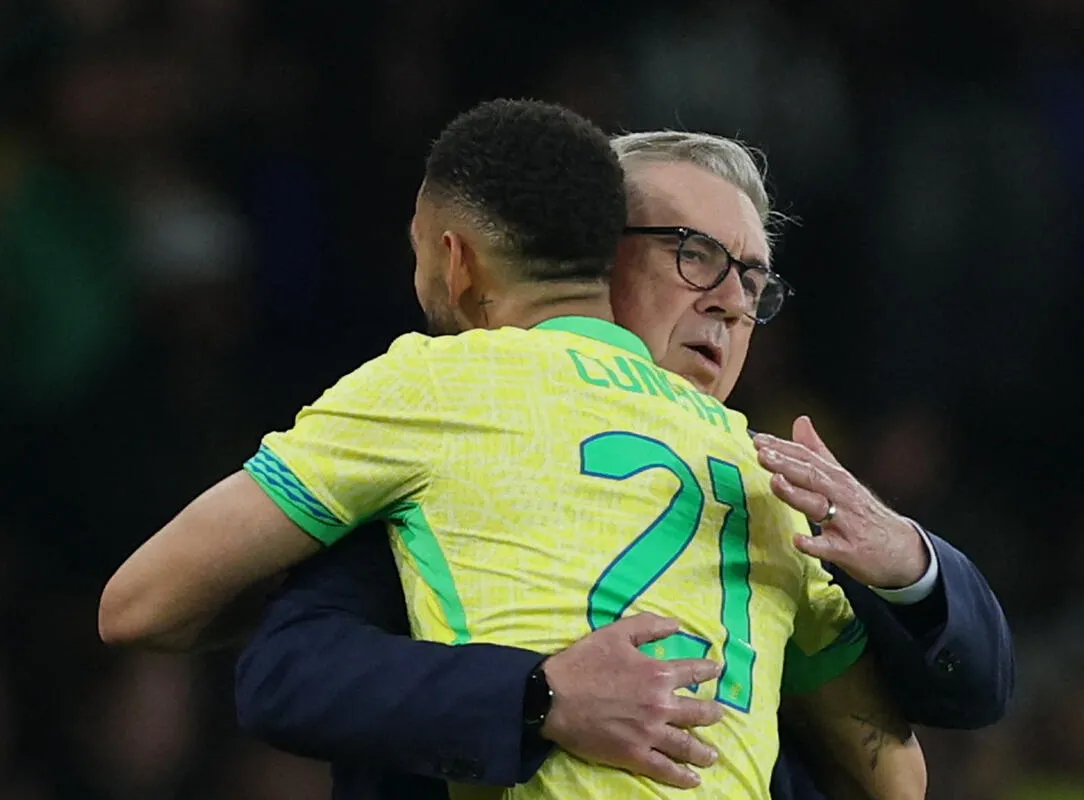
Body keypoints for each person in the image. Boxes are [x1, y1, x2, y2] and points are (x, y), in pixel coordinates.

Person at [98, 100, 927, 799]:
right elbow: (897, 778)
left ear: (454, 260)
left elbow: (137, 606)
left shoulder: (435, 385)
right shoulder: (756, 466)